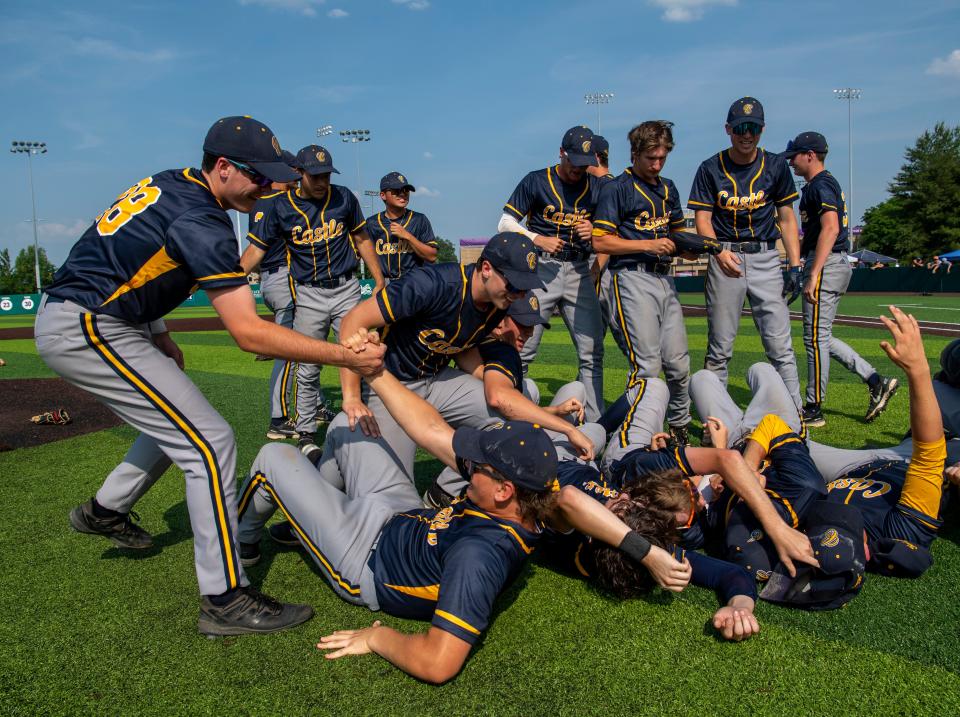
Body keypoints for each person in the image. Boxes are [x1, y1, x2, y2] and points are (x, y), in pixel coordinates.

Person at [36, 116, 386, 636]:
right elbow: (248, 333)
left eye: (273, 176)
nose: (268, 187)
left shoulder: (172, 181)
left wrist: (158, 334)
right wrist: (344, 356)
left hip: (108, 318)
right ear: (223, 167)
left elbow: (126, 259)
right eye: (258, 176)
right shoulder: (202, 218)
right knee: (211, 443)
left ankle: (106, 509)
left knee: (185, 421)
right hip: (86, 325)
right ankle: (224, 599)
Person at [237, 361, 688, 681]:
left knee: (274, 456)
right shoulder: (530, 502)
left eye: (479, 466)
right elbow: (433, 429)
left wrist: (380, 640)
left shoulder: (481, 554)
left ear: (504, 490)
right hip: (402, 512)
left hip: (365, 556)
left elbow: (440, 663)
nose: (466, 467)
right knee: (354, 420)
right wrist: (374, 370)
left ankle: (243, 542)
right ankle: (310, 506)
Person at [764, 307, 949, 603]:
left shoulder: (806, 525)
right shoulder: (901, 533)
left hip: (850, 467)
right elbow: (928, 452)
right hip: (918, 456)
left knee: (762, 383)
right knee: (952, 369)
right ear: (863, 554)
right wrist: (918, 370)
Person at [333, 232, 542, 478]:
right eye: (515, 285)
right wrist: (351, 397)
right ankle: (330, 451)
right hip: (392, 381)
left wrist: (495, 384)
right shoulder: (431, 284)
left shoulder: (495, 303)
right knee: (390, 480)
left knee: (512, 415)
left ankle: (447, 488)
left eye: (524, 288)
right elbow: (352, 321)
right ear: (486, 268)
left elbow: (462, 349)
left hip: (438, 378)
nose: (519, 295)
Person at [240, 145, 385, 454]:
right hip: (308, 292)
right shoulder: (282, 206)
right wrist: (228, 280)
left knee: (359, 353)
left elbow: (361, 238)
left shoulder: (343, 196)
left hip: (347, 288)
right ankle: (306, 433)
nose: (322, 182)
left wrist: (379, 278)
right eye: (315, 176)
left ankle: (364, 419)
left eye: (326, 175)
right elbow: (256, 250)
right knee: (308, 365)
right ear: (300, 174)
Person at [424, 293, 599, 507]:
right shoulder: (502, 351)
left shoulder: (477, 337)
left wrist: (554, 411)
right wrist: (568, 429)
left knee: (535, 391)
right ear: (499, 323)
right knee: (590, 428)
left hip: (448, 415)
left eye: (532, 326)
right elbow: (500, 400)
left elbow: (507, 403)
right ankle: (448, 490)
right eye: (522, 325)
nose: (528, 333)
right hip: (466, 432)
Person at [688, 97, 803, 408]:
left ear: (762, 129)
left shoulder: (776, 165)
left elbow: (787, 218)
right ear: (728, 129)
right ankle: (717, 417)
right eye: (741, 127)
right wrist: (716, 252)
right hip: (726, 257)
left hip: (766, 258)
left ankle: (795, 415)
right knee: (720, 348)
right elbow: (702, 219)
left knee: (780, 346)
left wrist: (794, 265)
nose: (747, 134)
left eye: (753, 127)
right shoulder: (710, 167)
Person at [783, 131, 899, 427]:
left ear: (810, 154)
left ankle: (814, 408)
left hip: (827, 262)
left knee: (814, 341)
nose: (792, 163)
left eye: (794, 156)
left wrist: (813, 272)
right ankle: (875, 380)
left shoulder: (821, 184)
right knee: (821, 338)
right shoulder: (821, 184)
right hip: (831, 262)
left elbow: (831, 229)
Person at [592, 120, 695, 445]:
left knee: (678, 365)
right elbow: (600, 241)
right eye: (651, 157)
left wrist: (694, 248)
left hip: (665, 279)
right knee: (647, 367)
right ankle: (638, 435)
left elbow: (677, 234)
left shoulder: (668, 187)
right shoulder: (617, 188)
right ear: (635, 153)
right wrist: (647, 245)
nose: (657, 164)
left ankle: (678, 428)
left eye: (662, 157)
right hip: (631, 277)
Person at [498, 126, 607, 420]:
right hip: (540, 268)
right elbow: (505, 222)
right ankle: (513, 415)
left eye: (585, 163)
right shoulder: (536, 180)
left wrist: (594, 229)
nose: (578, 169)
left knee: (591, 352)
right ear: (561, 153)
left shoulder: (597, 186)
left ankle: (594, 423)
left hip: (579, 269)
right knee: (521, 348)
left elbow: (612, 229)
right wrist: (536, 238)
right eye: (574, 161)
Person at [244, 150, 306, 440]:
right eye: (293, 170)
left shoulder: (259, 202)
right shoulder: (282, 202)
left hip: (270, 280)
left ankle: (313, 406)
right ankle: (279, 419)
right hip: (285, 278)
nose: (296, 175)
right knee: (290, 353)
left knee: (305, 346)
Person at [365, 172, 438, 282]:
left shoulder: (419, 219)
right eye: (396, 191)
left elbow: (432, 256)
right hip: (386, 284)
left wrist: (407, 236)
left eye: (406, 190)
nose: (403, 194)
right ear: (383, 195)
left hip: (414, 283)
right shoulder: (372, 223)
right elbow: (365, 255)